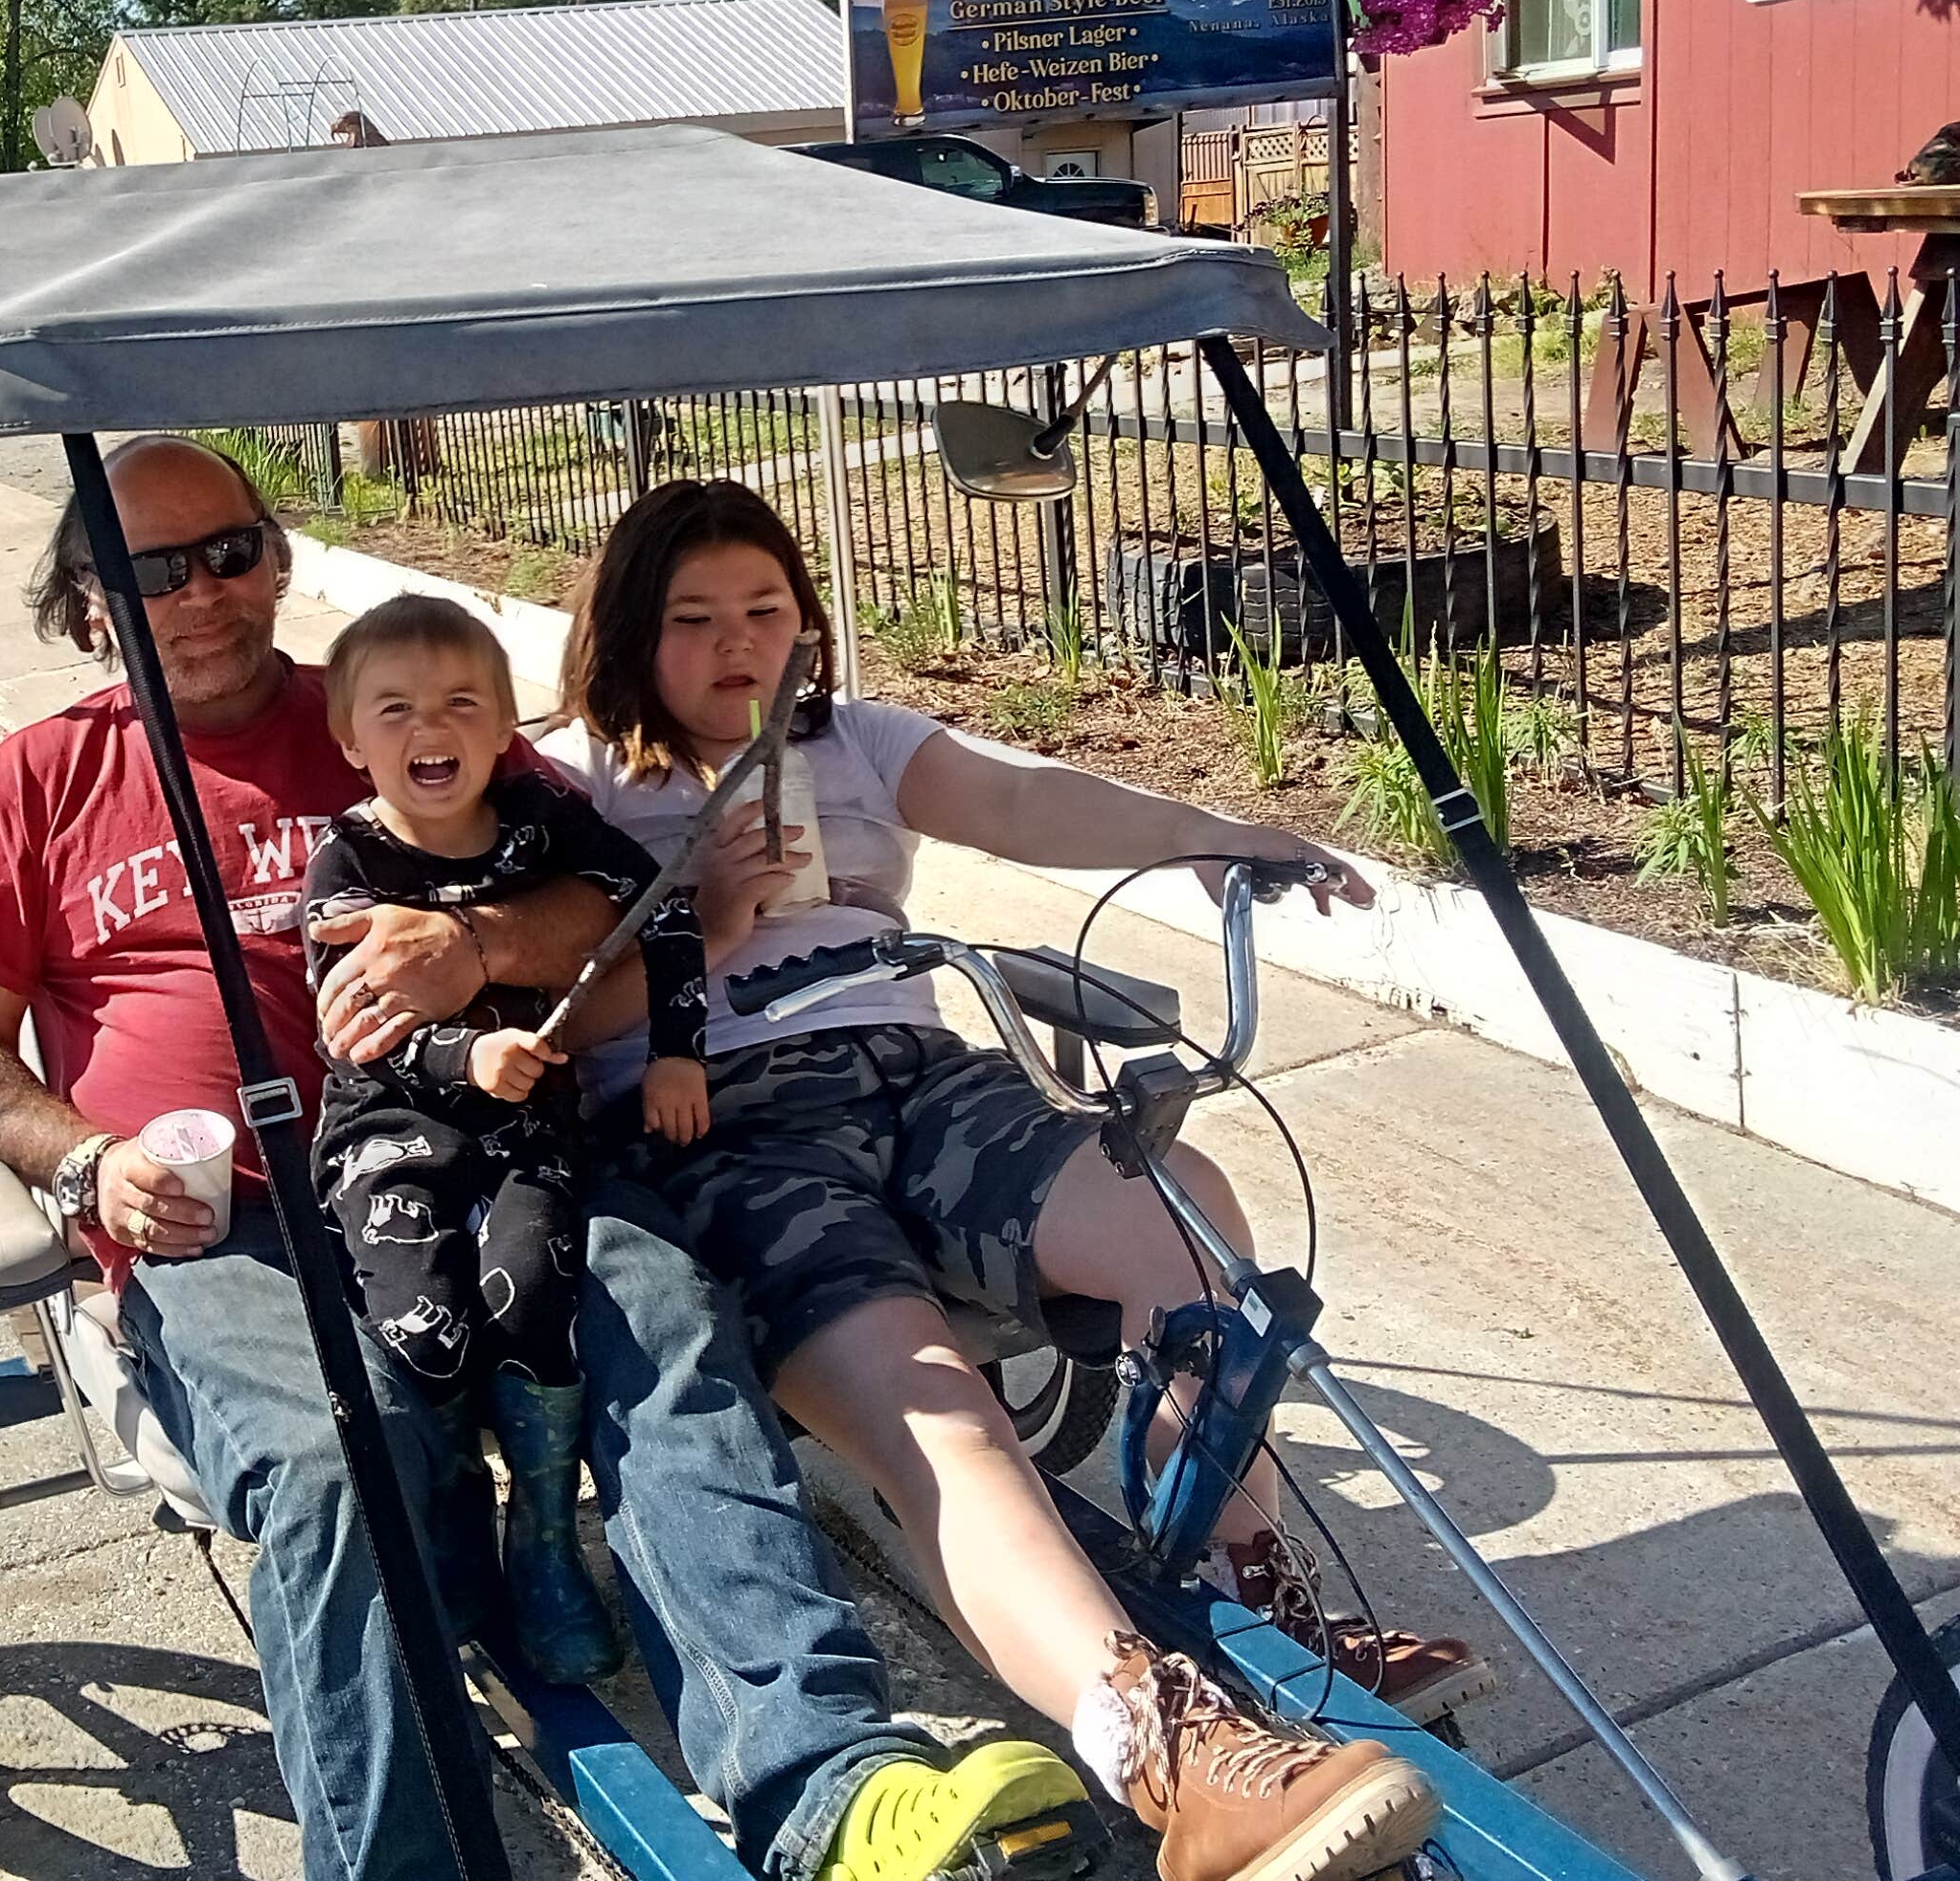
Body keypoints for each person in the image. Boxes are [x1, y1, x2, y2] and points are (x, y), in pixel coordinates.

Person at [0, 438, 1088, 1881]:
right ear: (89, 598)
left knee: (673, 1339)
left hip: (507, 1154)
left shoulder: (392, 703)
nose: (200, 593)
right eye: (150, 570)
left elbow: (608, 897)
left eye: (227, 552)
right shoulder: (40, 781)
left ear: (275, 559)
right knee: (341, 1461)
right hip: (232, 1218)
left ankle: (828, 1781)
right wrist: (88, 1163)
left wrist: (473, 945)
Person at [545, 479, 1484, 1881]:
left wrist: (1218, 834)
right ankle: (1168, 1752)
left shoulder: (853, 741)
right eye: (692, 620)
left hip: (920, 1078)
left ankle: (1254, 1593)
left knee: (1188, 1224)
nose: (738, 644)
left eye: (766, 610)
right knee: (944, 1417)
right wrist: (710, 917)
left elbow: (1024, 799)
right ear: (628, 635)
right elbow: (541, 1017)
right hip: (723, 1124)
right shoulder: (570, 784)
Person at [302, 593, 711, 1685]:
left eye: (460, 704)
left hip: (527, 1124)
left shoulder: (542, 821)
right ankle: (455, 1538)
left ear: (501, 731)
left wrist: (678, 1051)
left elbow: (663, 908)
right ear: (352, 742)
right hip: (389, 1127)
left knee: (533, 1294)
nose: (429, 728)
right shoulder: (344, 867)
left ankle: (544, 1538)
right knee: (421, 1322)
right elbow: (350, 1037)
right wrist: (462, 1055)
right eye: (394, 710)